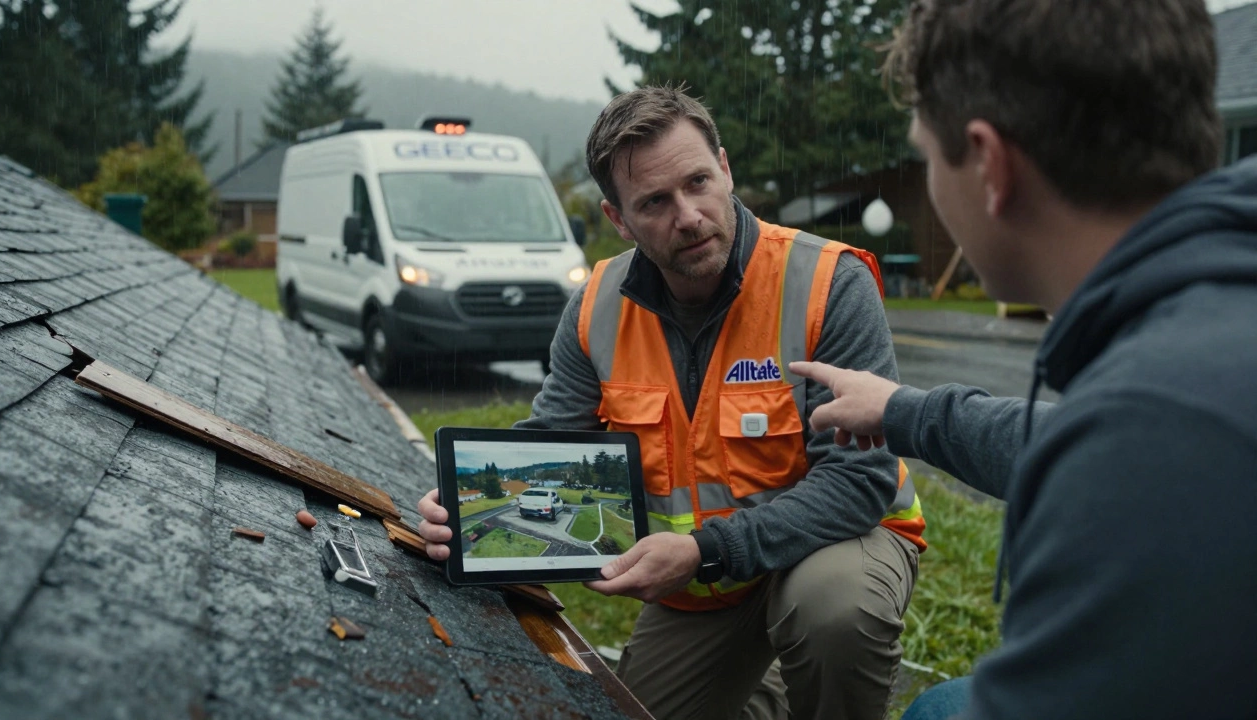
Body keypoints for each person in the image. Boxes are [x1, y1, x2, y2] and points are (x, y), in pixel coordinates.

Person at [786, 1, 1257, 718]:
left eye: (927, 156)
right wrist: (901, 411)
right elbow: (1064, 439)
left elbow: (1119, 454)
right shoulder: (1209, 320)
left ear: (990, 164)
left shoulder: (1161, 437)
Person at [417, 85, 925, 719]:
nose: (688, 215)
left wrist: (707, 551)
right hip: (707, 587)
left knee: (833, 612)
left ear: (725, 168)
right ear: (618, 219)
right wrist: (461, 509)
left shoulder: (827, 284)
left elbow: (857, 480)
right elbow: (552, 443)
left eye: (699, 182)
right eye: (655, 201)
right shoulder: (597, 308)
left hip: (835, 541)